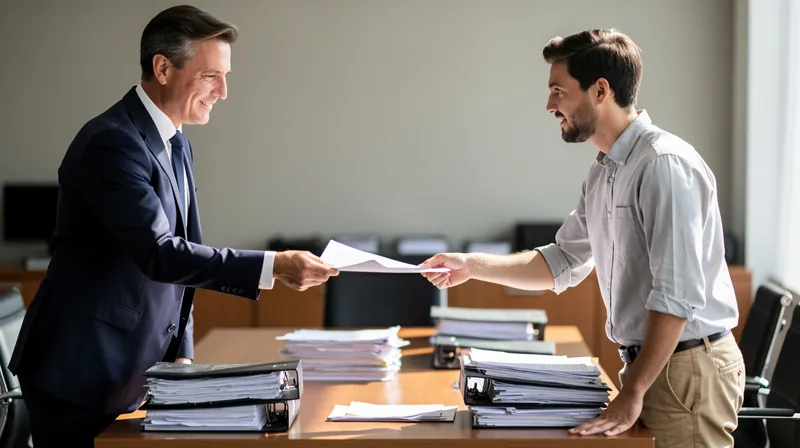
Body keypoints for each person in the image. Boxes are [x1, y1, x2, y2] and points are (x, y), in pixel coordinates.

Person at [8, 5, 338, 447]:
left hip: (130, 372)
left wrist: (181, 355)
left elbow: (184, 260)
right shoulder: (113, 143)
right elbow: (161, 254)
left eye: (225, 77)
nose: (222, 91)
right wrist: (273, 265)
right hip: (81, 373)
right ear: (163, 68)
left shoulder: (175, 142)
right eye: (210, 76)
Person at [421, 29, 744, 447]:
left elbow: (676, 295)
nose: (550, 105)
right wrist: (473, 266)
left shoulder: (663, 164)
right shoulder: (606, 170)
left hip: (685, 368)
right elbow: (563, 261)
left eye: (559, 91)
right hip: (651, 366)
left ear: (600, 90)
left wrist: (632, 391)